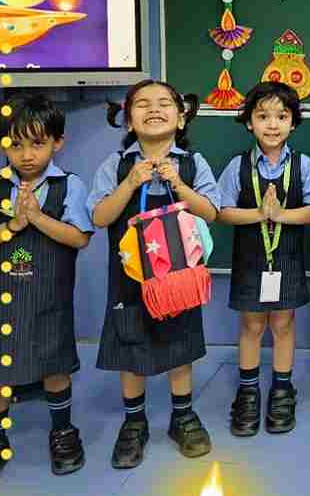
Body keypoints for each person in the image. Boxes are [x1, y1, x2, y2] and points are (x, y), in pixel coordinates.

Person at [89, 79, 220, 470]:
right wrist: (131, 183)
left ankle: (183, 416)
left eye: (164, 103)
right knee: (131, 344)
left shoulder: (193, 164)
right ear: (129, 121)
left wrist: (178, 184)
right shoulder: (116, 165)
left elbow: (211, 212)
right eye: (142, 104)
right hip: (130, 278)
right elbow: (99, 217)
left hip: (178, 278)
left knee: (180, 343)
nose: (154, 109)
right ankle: (134, 422)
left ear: (180, 118)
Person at [0, 93, 93, 492]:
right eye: (15, 144)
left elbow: (79, 238)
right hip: (0, 302)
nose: (26, 155)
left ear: (57, 142)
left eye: (37, 143)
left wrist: (37, 218)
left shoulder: (69, 185)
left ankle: (62, 431)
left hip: (49, 299)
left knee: (54, 366)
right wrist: (12, 226)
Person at [217, 82, 310, 437]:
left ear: (293, 122)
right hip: (250, 259)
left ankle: (281, 390)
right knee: (251, 326)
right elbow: (222, 212)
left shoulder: (303, 165)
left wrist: (280, 215)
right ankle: (248, 392)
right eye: (263, 116)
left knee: (284, 325)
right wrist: (261, 214)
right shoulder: (238, 166)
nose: (272, 124)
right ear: (249, 122)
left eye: (282, 116)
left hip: (287, 258)